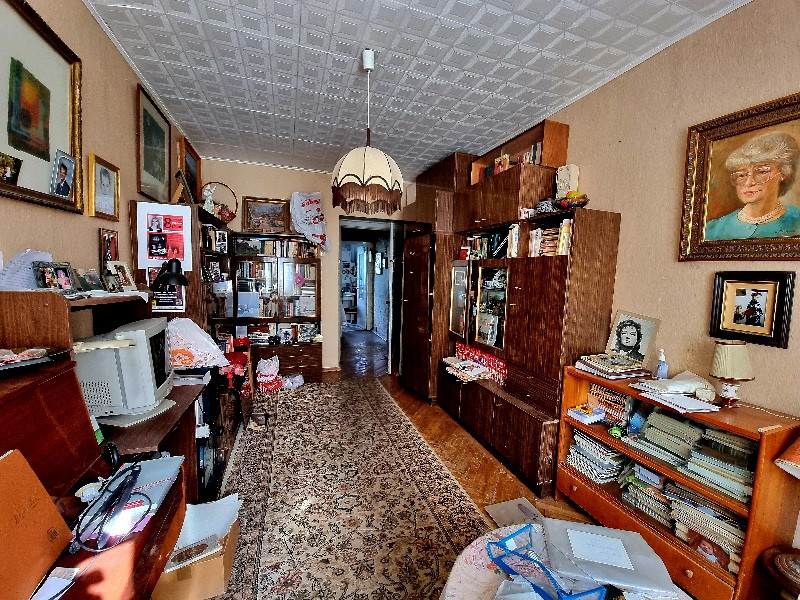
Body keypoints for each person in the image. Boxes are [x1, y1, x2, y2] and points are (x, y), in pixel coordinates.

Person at [706, 131, 800, 240]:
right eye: (742, 175)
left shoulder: (796, 220)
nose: (748, 183)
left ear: (783, 173)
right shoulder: (713, 229)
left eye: (761, 172)